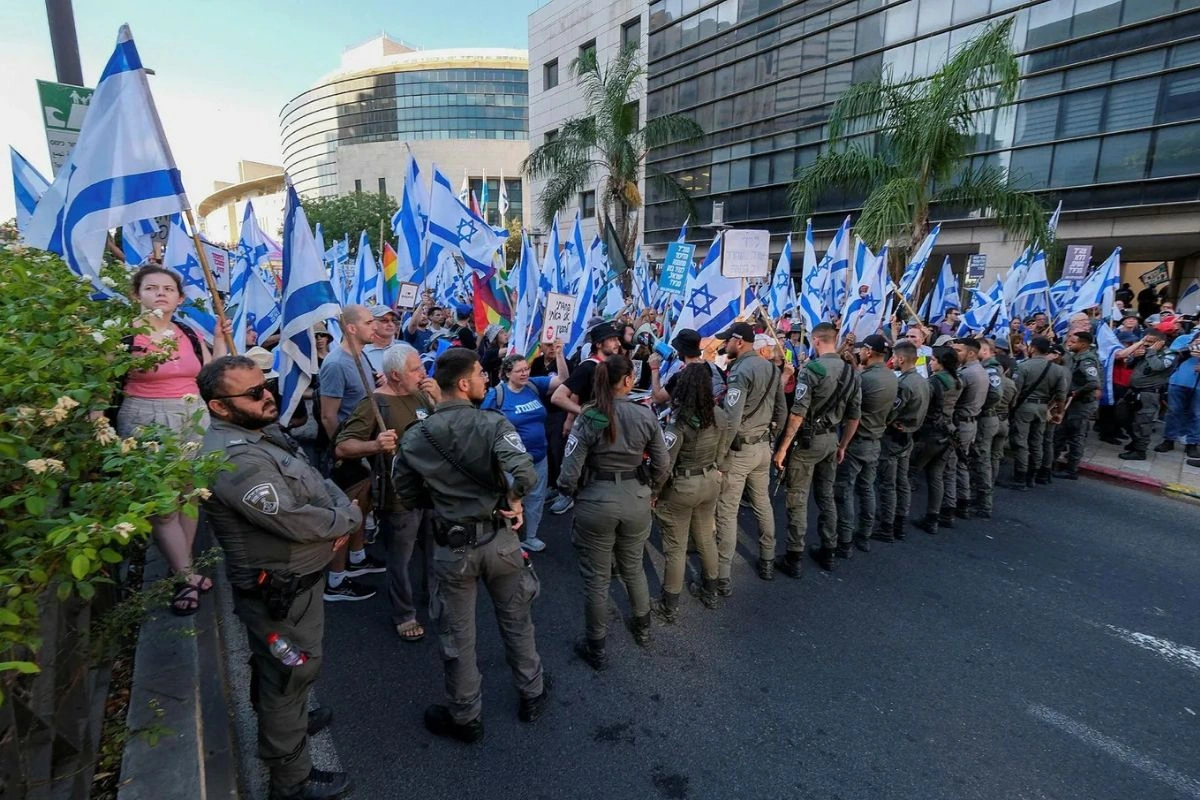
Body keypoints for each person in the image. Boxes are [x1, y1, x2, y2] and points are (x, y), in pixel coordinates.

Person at [199, 355, 360, 800]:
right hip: (279, 594)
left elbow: (314, 478)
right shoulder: (236, 460)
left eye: (265, 384)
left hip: (297, 587)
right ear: (220, 407)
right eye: (253, 393)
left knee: (283, 673)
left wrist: (341, 510)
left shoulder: (261, 433)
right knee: (290, 674)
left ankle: (285, 721)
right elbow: (290, 517)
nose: (268, 394)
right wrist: (346, 521)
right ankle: (291, 780)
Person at [391, 347, 548, 741]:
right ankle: (532, 692)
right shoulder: (494, 424)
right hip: (500, 539)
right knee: (516, 619)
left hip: (453, 547)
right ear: (463, 384)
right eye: (481, 374)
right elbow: (525, 474)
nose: (486, 380)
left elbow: (406, 493)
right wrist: (513, 501)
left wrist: (447, 502)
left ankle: (466, 716)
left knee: (457, 635)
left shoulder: (414, 438)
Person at [115, 265, 229, 615]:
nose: (161, 293)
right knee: (163, 506)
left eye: (168, 288)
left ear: (179, 298)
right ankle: (185, 577)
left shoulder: (187, 333)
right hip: (147, 421)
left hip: (193, 418)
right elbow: (103, 386)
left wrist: (221, 339)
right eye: (151, 288)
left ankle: (183, 564)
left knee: (189, 496)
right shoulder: (123, 338)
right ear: (137, 295)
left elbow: (211, 375)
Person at [558, 354, 670, 670]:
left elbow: (569, 473)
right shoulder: (645, 415)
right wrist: (653, 492)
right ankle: (643, 628)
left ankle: (597, 647)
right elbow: (662, 465)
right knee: (633, 566)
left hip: (596, 499)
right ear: (627, 381)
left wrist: (576, 494)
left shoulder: (590, 416)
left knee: (596, 579)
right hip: (635, 497)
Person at [334, 343, 439, 642]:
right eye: (415, 369)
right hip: (400, 497)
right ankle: (404, 613)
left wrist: (440, 400)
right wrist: (374, 445)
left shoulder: (422, 395)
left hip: (433, 492)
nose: (422, 373)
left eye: (421, 367)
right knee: (401, 558)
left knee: (435, 551)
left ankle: (432, 596)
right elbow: (343, 446)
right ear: (395, 374)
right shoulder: (374, 403)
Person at [772, 322, 860, 574]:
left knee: (798, 498)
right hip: (832, 439)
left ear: (816, 341)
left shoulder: (813, 369)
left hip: (808, 441)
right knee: (826, 496)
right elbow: (855, 415)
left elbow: (797, 413)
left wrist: (783, 448)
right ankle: (829, 550)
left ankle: (794, 556)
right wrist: (843, 444)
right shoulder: (851, 371)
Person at [652, 362, 732, 620]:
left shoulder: (679, 422)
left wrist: (654, 491)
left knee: (675, 548)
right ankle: (711, 590)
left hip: (683, 486)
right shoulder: (718, 414)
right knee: (706, 538)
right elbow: (722, 451)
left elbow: (666, 463)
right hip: (710, 481)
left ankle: (670, 604)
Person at [318, 305, 385, 601]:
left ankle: (357, 559)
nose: (376, 326)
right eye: (370, 322)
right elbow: (328, 415)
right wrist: (343, 451)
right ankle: (336, 580)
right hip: (348, 451)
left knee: (362, 506)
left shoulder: (362, 357)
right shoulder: (336, 364)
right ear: (352, 328)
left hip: (363, 446)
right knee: (346, 513)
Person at [713, 321, 787, 585]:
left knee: (727, 510)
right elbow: (782, 410)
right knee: (762, 504)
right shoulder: (770, 367)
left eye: (728, 341)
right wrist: (771, 440)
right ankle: (767, 558)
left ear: (739, 341)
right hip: (763, 446)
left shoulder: (740, 370)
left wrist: (720, 457)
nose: (725, 345)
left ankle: (722, 574)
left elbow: (731, 419)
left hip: (741, 448)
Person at [481, 354, 567, 552]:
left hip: (539, 456)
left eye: (526, 368)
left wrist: (560, 353)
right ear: (507, 373)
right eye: (519, 370)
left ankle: (530, 537)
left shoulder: (533, 385)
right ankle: (510, 540)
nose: (525, 373)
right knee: (512, 499)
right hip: (512, 462)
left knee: (536, 498)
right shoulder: (497, 395)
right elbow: (483, 425)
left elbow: (562, 379)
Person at [549, 321, 626, 514]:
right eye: (611, 340)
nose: (617, 343)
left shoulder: (614, 365)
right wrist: (581, 414)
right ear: (599, 344)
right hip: (590, 429)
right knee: (579, 463)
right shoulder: (588, 367)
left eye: (617, 338)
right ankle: (567, 495)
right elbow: (559, 397)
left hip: (610, 427)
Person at [834, 334, 897, 555]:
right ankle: (864, 535)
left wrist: (842, 444)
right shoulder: (891, 377)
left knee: (846, 491)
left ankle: (844, 539)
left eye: (862, 350)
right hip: (875, 439)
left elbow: (851, 411)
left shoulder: (865, 380)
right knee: (867, 489)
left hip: (856, 440)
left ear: (869, 352)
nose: (859, 352)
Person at [872, 340, 930, 543]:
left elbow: (891, 412)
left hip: (895, 437)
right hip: (909, 435)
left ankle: (886, 525)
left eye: (895, 357)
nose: (892, 361)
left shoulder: (904, 384)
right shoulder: (923, 380)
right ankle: (900, 520)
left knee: (888, 483)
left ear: (901, 358)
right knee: (902, 481)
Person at [912, 347, 961, 535]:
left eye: (933, 360)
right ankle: (933, 516)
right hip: (948, 431)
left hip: (930, 431)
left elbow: (923, 405)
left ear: (941, 362)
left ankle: (894, 516)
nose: (930, 362)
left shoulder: (935, 382)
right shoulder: (957, 381)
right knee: (936, 475)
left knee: (909, 473)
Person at [1006, 337, 1066, 489]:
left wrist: (1011, 408)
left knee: (1021, 442)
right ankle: (1032, 476)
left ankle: (1020, 477)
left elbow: (1016, 391)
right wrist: (1060, 412)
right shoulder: (1057, 370)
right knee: (1037, 442)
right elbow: (1061, 395)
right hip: (1043, 407)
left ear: (1032, 348)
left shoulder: (1024, 366)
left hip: (1025, 407)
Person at [1119, 330, 1179, 461]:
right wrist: (1135, 356)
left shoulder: (1170, 354)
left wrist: (1151, 353)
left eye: (1150, 342)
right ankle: (1135, 440)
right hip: (1133, 391)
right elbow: (1128, 364)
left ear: (1161, 343)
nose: (1146, 345)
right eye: (1145, 341)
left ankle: (1140, 451)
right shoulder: (1145, 351)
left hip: (1149, 393)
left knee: (1143, 422)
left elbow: (1157, 366)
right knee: (1122, 415)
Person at [945, 337, 987, 522]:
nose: (955, 353)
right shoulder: (978, 370)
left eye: (958, 350)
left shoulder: (967, 374)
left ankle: (949, 508)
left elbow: (951, 396)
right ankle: (963, 500)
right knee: (961, 463)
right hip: (970, 421)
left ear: (970, 353)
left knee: (950, 465)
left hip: (961, 422)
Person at [1053, 331, 1101, 479]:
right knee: (1061, 433)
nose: (1070, 344)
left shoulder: (1087, 360)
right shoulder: (1076, 357)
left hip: (1081, 404)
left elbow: (1093, 382)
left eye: (1074, 342)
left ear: (1083, 344)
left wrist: (1077, 392)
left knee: (1076, 437)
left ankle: (1071, 469)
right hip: (1071, 404)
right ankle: (1051, 463)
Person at [970, 338, 1005, 517]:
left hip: (986, 418)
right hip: (986, 417)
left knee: (982, 460)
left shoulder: (991, 369)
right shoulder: (986, 367)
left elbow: (995, 394)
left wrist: (979, 406)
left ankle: (984, 503)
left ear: (984, 351)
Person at [649, 328, 726, 406]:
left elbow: (658, 398)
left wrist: (654, 369)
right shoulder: (714, 368)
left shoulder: (681, 377)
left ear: (681, 351)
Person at [1035, 343, 1071, 485]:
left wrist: (1053, 410)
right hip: (1050, 407)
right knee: (1046, 440)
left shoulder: (1060, 370)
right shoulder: (1060, 369)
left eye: (1049, 352)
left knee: (1044, 440)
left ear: (1056, 355)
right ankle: (1044, 469)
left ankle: (1043, 470)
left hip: (1051, 408)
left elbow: (1061, 394)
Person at [361, 305, 398, 376]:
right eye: (384, 320)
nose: (391, 324)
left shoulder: (404, 348)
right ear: (370, 323)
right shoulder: (361, 352)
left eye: (393, 320)